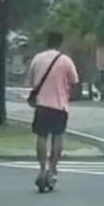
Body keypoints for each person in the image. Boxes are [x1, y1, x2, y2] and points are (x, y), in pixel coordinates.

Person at [27, 32, 79, 189]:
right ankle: (52, 169)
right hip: (60, 106)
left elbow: (32, 82)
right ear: (60, 44)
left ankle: (42, 169)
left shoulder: (37, 59)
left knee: (41, 137)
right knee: (58, 137)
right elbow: (74, 81)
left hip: (42, 105)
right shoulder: (66, 61)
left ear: (46, 42)